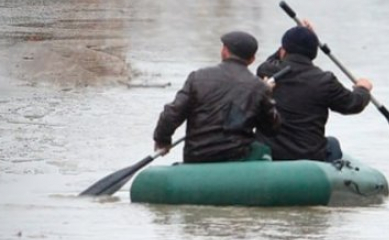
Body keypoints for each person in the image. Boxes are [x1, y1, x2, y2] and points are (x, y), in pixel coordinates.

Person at [153, 31, 282, 163]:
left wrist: (162, 140)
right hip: (238, 156)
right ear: (252, 59)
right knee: (262, 150)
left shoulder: (198, 77)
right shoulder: (258, 87)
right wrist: (268, 96)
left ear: (224, 51)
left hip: (197, 155)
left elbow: (172, 113)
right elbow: (272, 129)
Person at [256, 22, 373, 162]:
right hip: (309, 153)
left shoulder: (266, 72)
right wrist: (363, 89)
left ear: (283, 51)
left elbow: (274, 59)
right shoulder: (325, 81)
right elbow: (353, 104)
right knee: (333, 144)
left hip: (270, 152)